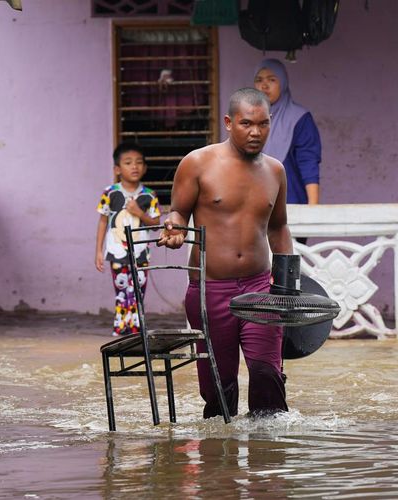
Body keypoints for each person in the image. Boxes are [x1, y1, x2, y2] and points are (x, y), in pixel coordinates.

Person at [157, 88, 293, 418]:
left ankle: (269, 462)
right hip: (210, 289)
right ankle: (218, 465)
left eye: (263, 124)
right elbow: (177, 213)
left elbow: (279, 228)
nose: (256, 132)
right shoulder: (198, 163)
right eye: (247, 124)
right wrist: (173, 228)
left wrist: (289, 286)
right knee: (219, 386)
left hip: (260, 289)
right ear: (229, 122)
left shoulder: (275, 171)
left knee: (267, 376)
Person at [96, 143, 161, 336]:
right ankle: (121, 329)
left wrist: (139, 212)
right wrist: (99, 251)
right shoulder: (110, 193)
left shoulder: (149, 195)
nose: (135, 167)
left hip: (141, 253)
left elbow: (156, 224)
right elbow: (102, 222)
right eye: (128, 163)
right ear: (117, 169)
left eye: (139, 163)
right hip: (116, 251)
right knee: (122, 290)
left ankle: (137, 329)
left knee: (139, 292)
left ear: (145, 167)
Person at [253, 58, 322, 206]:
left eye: (272, 80)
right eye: (259, 80)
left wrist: (314, 206)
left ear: (283, 83)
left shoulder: (299, 118)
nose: (264, 86)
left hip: (290, 202)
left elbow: (308, 161)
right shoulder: (248, 118)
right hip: (254, 205)